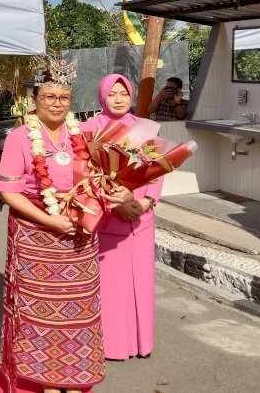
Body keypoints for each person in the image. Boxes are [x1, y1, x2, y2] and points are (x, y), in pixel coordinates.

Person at [0, 59, 134, 393]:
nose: (57, 103)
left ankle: (76, 378)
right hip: (37, 236)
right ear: (35, 99)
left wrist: (114, 189)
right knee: (42, 316)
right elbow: (9, 193)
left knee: (80, 312)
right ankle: (47, 379)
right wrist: (49, 220)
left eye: (64, 98)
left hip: (79, 236)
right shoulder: (19, 137)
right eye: (49, 97)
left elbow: (98, 176)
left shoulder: (82, 135)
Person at [82, 74, 164, 361]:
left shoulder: (142, 129)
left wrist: (145, 202)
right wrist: (117, 203)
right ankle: (111, 345)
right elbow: (83, 173)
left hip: (140, 219)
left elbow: (158, 170)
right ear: (102, 95)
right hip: (107, 219)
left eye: (123, 94)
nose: (118, 99)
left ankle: (141, 343)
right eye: (112, 94)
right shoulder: (88, 129)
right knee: (110, 286)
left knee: (140, 283)